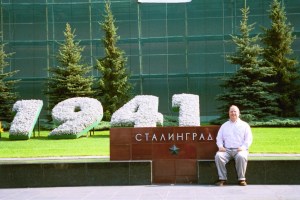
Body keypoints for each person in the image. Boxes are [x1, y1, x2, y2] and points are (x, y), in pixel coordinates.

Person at [215, 105, 253, 186]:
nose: (233, 113)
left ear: (239, 113)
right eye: (231, 111)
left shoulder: (245, 125)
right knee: (218, 156)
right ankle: (222, 178)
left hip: (240, 150)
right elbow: (219, 138)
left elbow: (248, 139)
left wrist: (243, 147)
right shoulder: (224, 125)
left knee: (241, 157)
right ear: (229, 113)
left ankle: (241, 179)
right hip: (227, 150)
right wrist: (220, 146)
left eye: (235, 111)